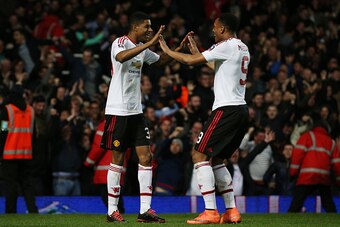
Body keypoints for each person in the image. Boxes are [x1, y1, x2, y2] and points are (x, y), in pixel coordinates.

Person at [100, 11, 191, 223]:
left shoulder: (142, 49)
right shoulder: (120, 43)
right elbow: (121, 58)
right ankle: (112, 210)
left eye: (150, 28)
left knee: (147, 157)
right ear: (135, 28)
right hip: (118, 110)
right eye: (147, 27)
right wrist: (149, 42)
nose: (150, 30)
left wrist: (177, 50)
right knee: (118, 159)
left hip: (136, 112)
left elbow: (159, 62)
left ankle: (145, 210)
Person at [159, 13, 250, 224]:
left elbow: (190, 62)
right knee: (217, 160)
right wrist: (199, 53)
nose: (213, 31)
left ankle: (210, 211)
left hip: (226, 110)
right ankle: (231, 211)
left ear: (223, 29)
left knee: (198, 155)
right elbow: (220, 70)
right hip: (241, 111)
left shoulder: (226, 45)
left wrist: (166, 50)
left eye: (215, 27)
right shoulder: (242, 47)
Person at [0, 84, 38, 213]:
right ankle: (32, 210)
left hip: (9, 155)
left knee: (10, 186)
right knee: (27, 185)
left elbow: (3, 131)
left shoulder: (7, 110)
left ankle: (11, 212)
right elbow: (34, 134)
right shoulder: (31, 111)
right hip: (26, 154)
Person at [288, 120, 338, 213]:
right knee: (328, 203)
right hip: (324, 177)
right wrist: (339, 181)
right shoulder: (332, 142)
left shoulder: (307, 136)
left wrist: (293, 173)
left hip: (307, 175)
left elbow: (297, 155)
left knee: (297, 202)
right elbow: (337, 163)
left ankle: (289, 221)